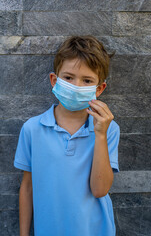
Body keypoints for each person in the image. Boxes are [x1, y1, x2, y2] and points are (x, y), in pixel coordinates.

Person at [14, 35, 120, 236]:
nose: (76, 86)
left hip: (95, 230)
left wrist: (100, 135)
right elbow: (27, 188)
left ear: (98, 89)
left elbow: (99, 190)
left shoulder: (109, 129)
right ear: (54, 80)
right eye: (69, 78)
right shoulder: (32, 129)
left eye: (87, 80)